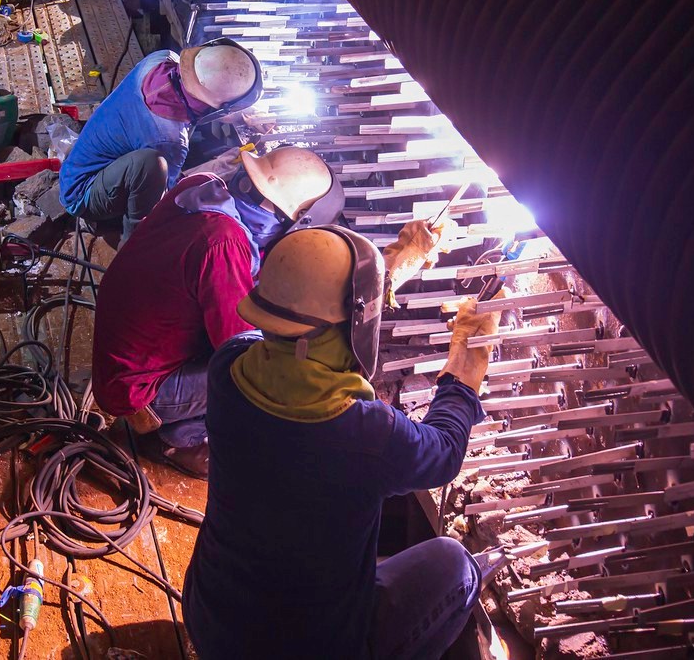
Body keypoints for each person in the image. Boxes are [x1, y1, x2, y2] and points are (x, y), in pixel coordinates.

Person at [182, 223, 497, 660]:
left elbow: (299, 330)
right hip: (309, 650)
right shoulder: (365, 435)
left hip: (211, 618)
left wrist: (384, 272)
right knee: (457, 568)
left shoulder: (229, 367)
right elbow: (443, 451)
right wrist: (464, 364)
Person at [91, 145, 344, 476]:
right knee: (268, 375)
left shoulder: (203, 188)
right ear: (295, 216)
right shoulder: (224, 244)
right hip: (139, 388)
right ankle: (180, 438)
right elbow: (241, 351)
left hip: (122, 360)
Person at [57, 39, 262, 242]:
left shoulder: (160, 59)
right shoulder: (169, 139)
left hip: (78, 164)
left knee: (156, 161)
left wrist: (236, 115)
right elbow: (170, 198)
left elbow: (196, 102)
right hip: (82, 194)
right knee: (152, 165)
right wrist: (214, 169)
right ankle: (134, 243)